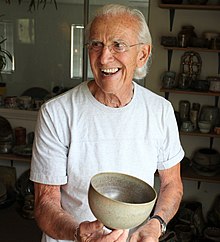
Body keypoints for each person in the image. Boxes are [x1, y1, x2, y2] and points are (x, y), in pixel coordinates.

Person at [30, 4, 184, 242]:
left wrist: (157, 224)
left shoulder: (160, 111)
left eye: (118, 45)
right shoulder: (57, 113)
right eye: (95, 44)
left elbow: (171, 184)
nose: (103, 57)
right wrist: (78, 233)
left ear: (142, 54)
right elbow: (44, 203)